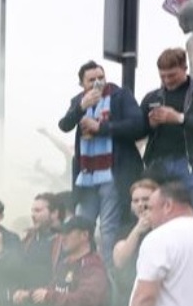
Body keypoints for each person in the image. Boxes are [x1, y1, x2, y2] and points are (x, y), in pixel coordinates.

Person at [58, 60, 145, 264]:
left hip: (112, 173)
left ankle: (107, 274)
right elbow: (64, 125)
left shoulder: (119, 96)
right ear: (82, 84)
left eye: (100, 78)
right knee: (81, 227)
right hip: (87, 176)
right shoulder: (79, 101)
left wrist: (101, 127)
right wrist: (81, 107)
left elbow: (137, 126)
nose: (97, 83)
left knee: (108, 229)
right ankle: (82, 268)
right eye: (91, 80)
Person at [139, 48, 193, 209]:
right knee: (155, 210)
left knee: (189, 209)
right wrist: (150, 125)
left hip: (190, 161)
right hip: (158, 162)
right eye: (162, 76)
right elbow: (138, 130)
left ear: (185, 68)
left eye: (172, 75)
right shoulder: (152, 97)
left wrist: (179, 118)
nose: (167, 80)